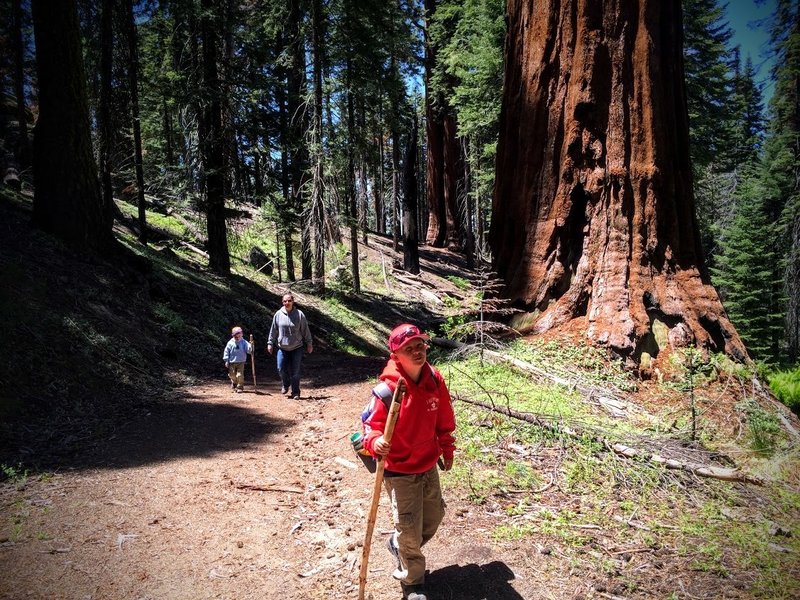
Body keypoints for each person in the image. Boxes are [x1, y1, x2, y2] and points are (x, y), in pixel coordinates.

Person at [362, 323, 456, 600]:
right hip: (399, 470)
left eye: (420, 345)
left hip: (427, 464)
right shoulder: (387, 390)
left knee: (434, 516)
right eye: (409, 348)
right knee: (409, 528)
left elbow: (444, 420)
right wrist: (375, 441)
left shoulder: (435, 380)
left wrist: (447, 449)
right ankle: (412, 582)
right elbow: (371, 426)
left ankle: (399, 544)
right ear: (396, 354)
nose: (417, 351)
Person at [266, 292, 313, 399]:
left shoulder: (299, 314)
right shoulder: (278, 314)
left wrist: (309, 343)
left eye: (289, 301)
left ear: (293, 301)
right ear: (282, 302)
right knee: (280, 368)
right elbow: (273, 330)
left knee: (295, 371)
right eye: (285, 301)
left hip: (297, 347)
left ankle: (295, 392)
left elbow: (305, 330)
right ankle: (286, 384)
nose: (287, 303)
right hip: (282, 347)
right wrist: (270, 343)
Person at [223, 326, 252, 393]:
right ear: (233, 336)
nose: (237, 338)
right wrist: (226, 360)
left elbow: (249, 350)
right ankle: (234, 382)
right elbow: (226, 351)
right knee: (232, 375)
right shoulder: (230, 343)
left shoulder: (244, 342)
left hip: (241, 361)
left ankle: (240, 387)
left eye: (239, 336)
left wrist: (251, 346)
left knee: (239, 375)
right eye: (236, 337)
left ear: (241, 335)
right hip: (232, 362)